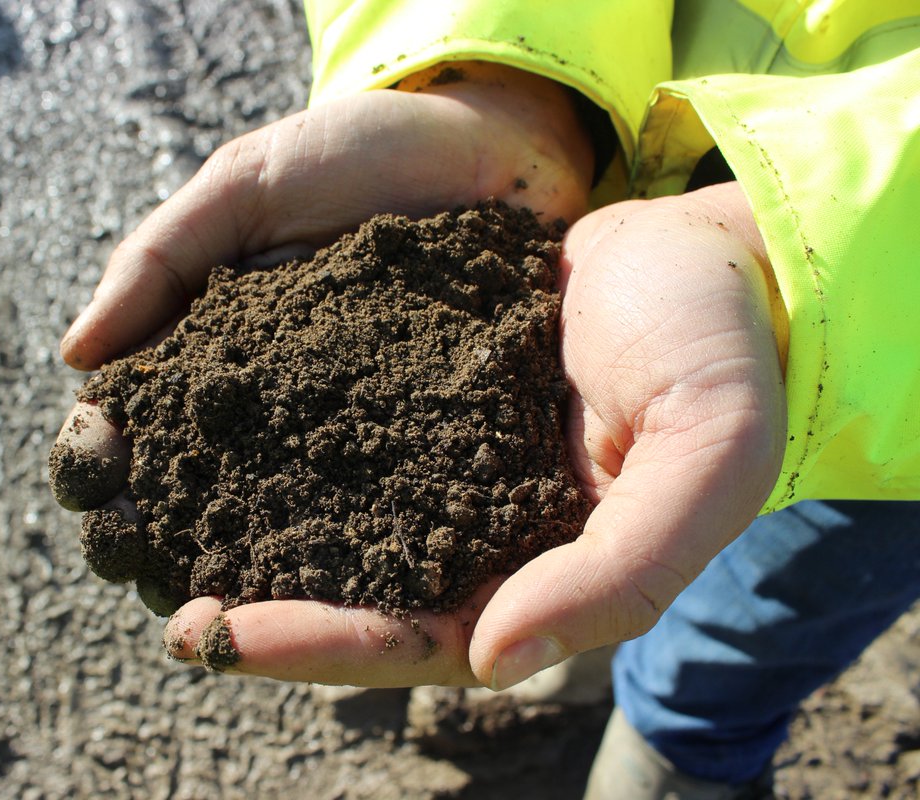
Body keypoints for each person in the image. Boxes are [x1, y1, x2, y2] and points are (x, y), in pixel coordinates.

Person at [52, 2, 920, 797]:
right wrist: (504, 79)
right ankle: (579, 659)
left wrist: (780, 245)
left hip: (893, 405)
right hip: (604, 222)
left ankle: (676, 749)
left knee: (736, 644)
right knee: (597, 552)